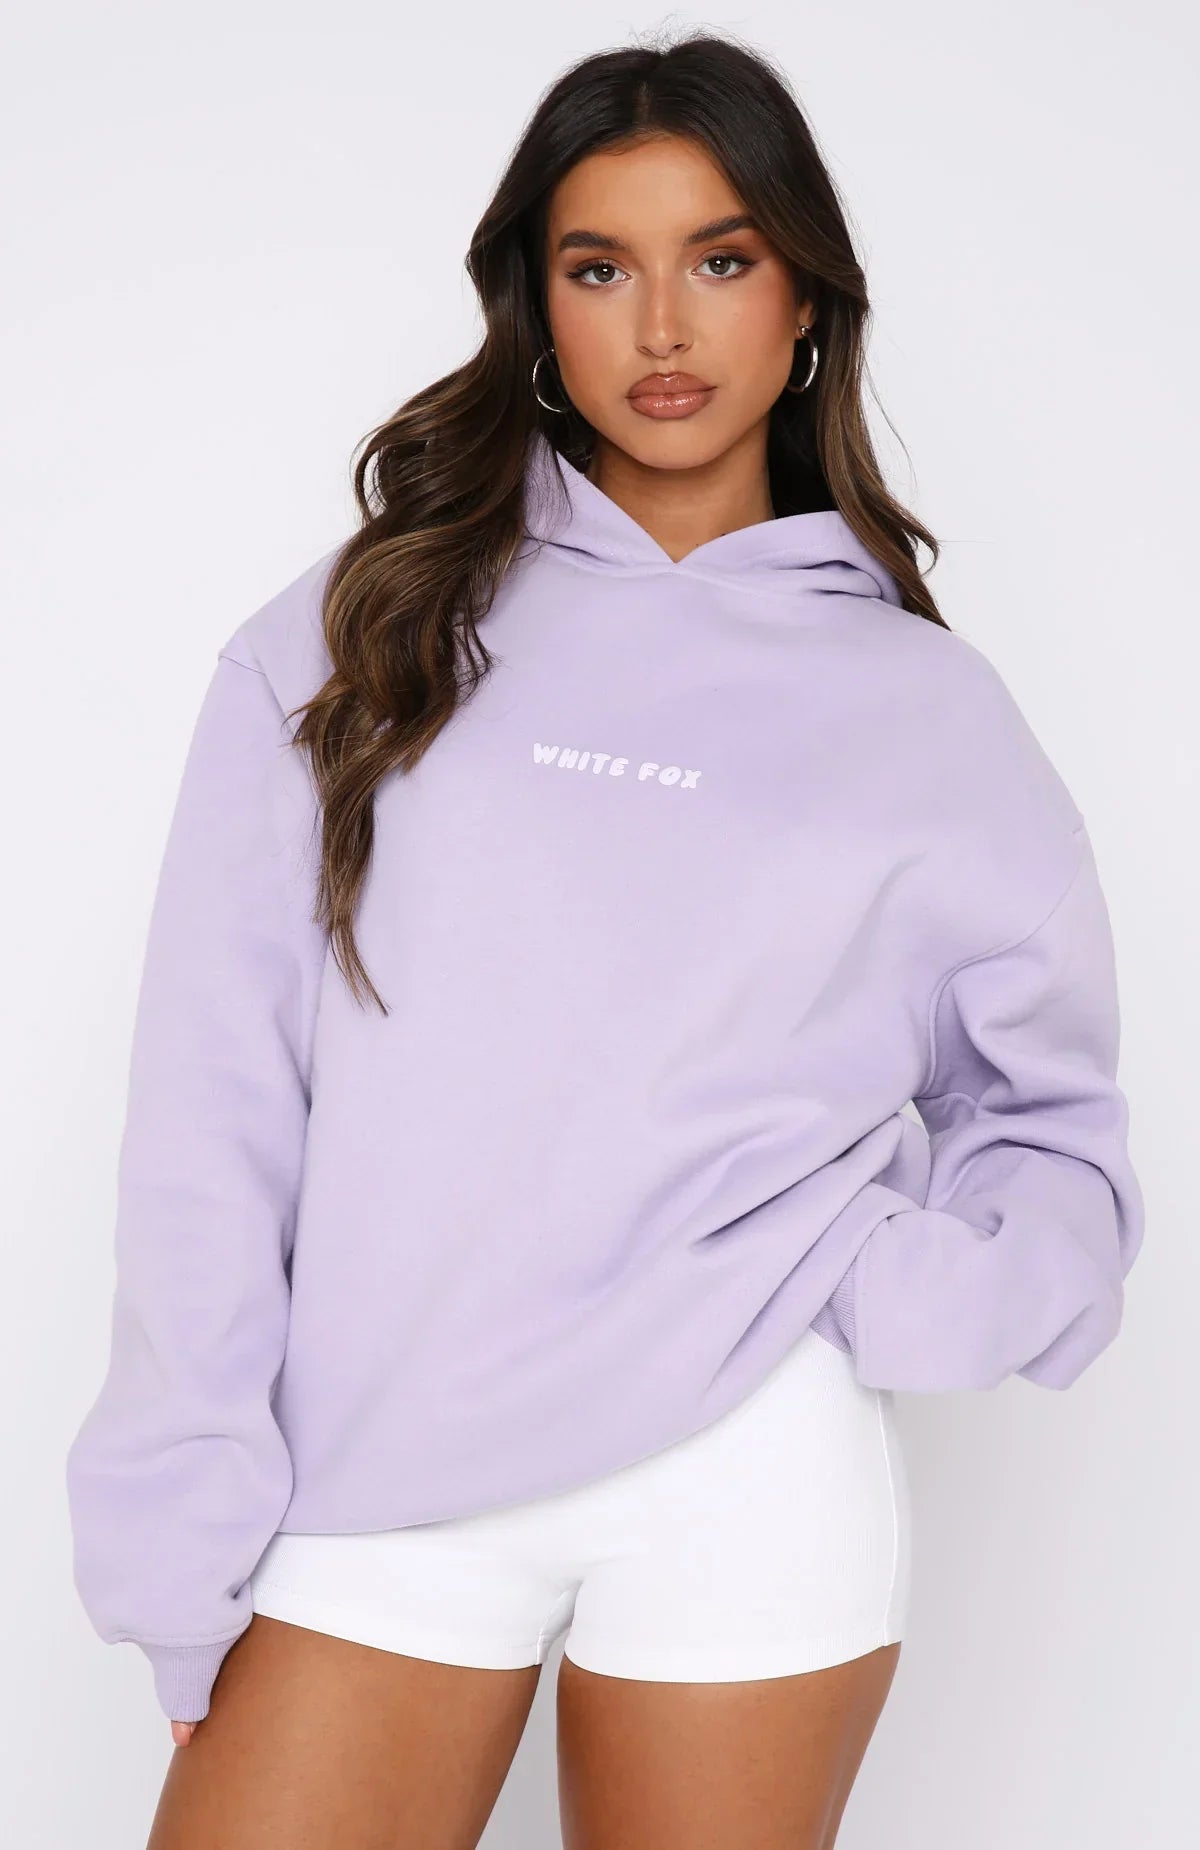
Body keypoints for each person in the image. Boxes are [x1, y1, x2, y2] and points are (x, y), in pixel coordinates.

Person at [64, 30, 1144, 1850]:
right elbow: (211, 1116)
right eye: (599, 266)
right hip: (381, 1466)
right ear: (536, 307)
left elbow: (1052, 1132)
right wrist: (180, 1539)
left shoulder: (929, 715)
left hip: (750, 1472)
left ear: (805, 301)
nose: (661, 325)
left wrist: (906, 1288)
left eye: (719, 259)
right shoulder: (363, 634)